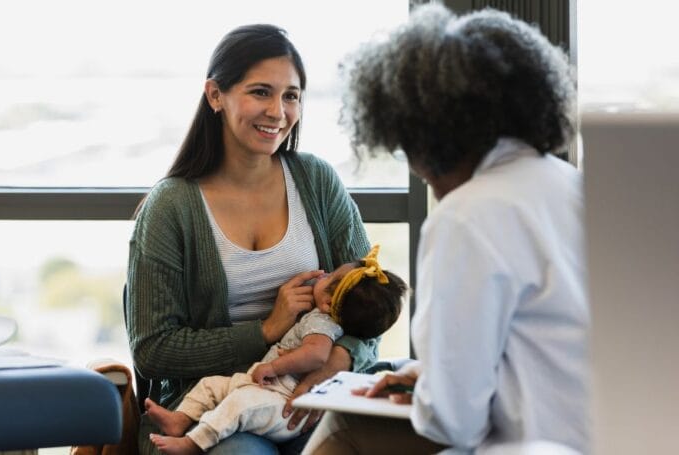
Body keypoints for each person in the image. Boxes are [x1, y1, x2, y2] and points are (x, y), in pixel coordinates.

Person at [303, 3, 589, 454]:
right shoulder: (570, 185)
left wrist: (431, 393)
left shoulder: (467, 216)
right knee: (395, 370)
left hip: (529, 443)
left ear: (425, 136)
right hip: (599, 434)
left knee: (343, 423)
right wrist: (426, 379)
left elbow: (454, 423)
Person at [126, 23, 378, 455]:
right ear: (215, 95)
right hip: (205, 412)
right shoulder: (171, 207)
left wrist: (332, 366)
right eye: (260, 92)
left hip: (312, 398)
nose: (278, 111)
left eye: (291, 95)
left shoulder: (317, 181)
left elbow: (371, 294)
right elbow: (153, 350)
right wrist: (265, 330)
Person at [145, 246, 406, 454]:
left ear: (328, 303)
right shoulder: (322, 317)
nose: (323, 274)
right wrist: (265, 330)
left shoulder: (321, 324)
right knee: (210, 386)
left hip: (282, 401)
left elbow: (318, 354)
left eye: (331, 277)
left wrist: (338, 358)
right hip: (259, 385)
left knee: (239, 405)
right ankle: (180, 419)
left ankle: (192, 443)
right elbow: (152, 350)